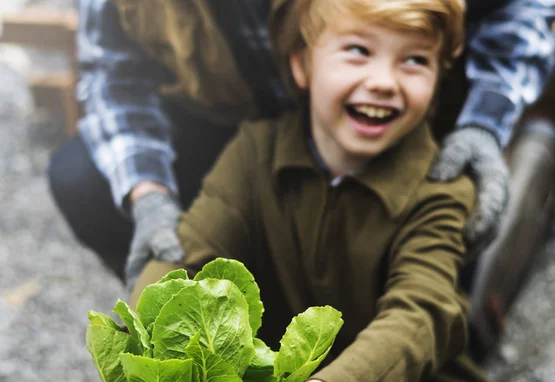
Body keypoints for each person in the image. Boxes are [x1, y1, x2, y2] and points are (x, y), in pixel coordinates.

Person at [95, 1, 555, 382]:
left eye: (415, 60)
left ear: (443, 78)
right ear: (300, 63)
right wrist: (137, 375)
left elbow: (418, 318)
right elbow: (183, 257)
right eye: (358, 51)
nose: (384, 80)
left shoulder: (442, 182)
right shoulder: (251, 154)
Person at [48, 0, 555, 289]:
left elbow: (523, 7)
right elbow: (115, 72)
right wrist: (149, 196)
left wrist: (485, 123)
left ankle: (514, 191)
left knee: (428, 319)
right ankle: (219, 338)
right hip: (238, 118)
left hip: (387, 115)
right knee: (83, 179)